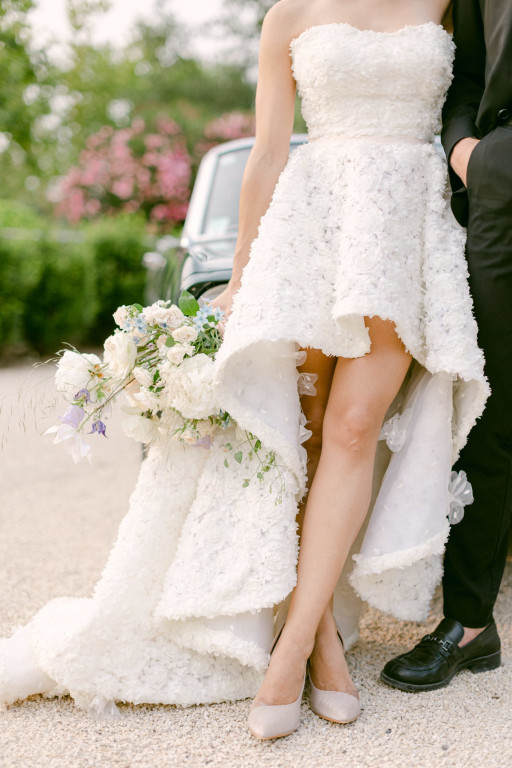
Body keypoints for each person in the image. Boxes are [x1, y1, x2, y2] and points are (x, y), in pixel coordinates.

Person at [0, 0, 487, 740]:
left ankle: (289, 655)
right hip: (311, 224)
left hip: (403, 229)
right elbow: (266, 152)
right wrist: (240, 276)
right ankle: (322, 642)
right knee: (308, 435)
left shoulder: (451, 6)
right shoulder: (289, 14)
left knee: (355, 429)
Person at [381, 0, 511, 693]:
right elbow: (465, 80)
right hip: (501, 192)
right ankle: (468, 624)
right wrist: (471, 154)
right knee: (490, 414)